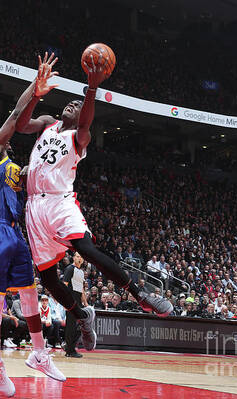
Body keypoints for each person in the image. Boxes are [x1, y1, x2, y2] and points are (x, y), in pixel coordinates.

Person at [15, 52, 173, 352]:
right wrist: (36, 91)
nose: (72, 105)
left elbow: (86, 120)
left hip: (60, 203)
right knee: (48, 280)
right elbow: (21, 124)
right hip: (34, 207)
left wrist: (91, 89)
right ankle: (81, 317)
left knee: (86, 249)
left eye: (78, 106)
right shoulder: (48, 123)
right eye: (70, 102)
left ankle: (140, 295)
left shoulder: (80, 137)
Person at [0, 53, 65, 396]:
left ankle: (40, 353)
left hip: (15, 232)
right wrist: (35, 90)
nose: (9, 136)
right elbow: (16, 115)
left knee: (30, 292)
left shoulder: (17, 167)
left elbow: (41, 172)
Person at [63, 252, 87, 358]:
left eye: (81, 257)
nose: (79, 258)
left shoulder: (81, 272)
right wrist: (64, 301)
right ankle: (69, 350)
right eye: (77, 256)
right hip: (70, 301)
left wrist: (85, 303)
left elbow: (81, 289)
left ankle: (71, 347)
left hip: (78, 302)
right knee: (70, 327)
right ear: (74, 258)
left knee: (79, 326)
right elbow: (64, 285)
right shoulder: (70, 269)